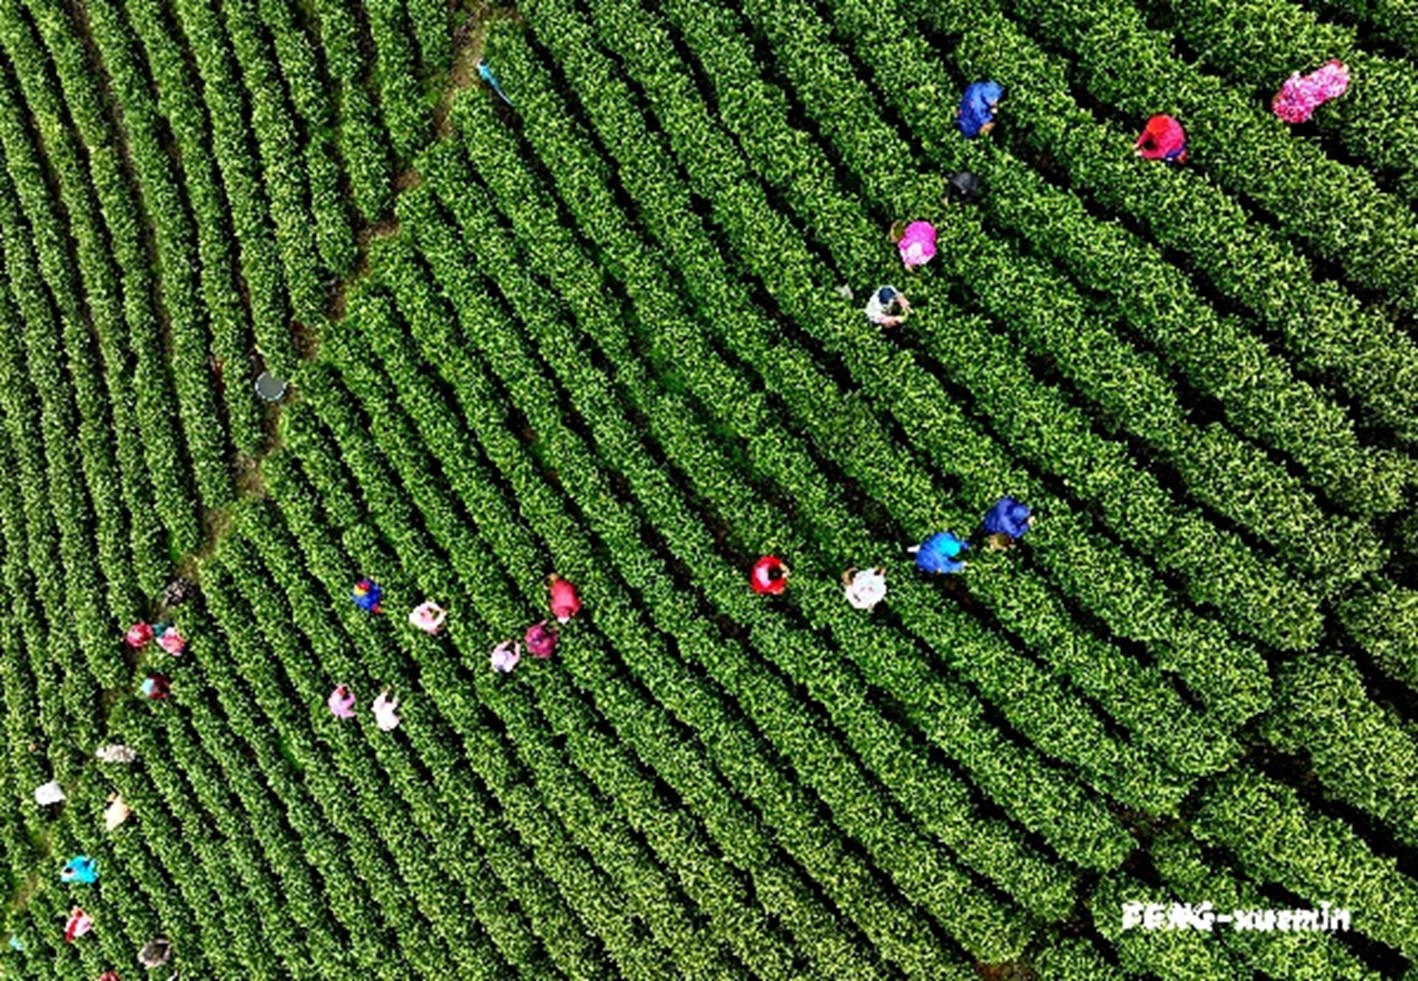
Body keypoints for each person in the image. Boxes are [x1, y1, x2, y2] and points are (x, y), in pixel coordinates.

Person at [1273, 59, 1350, 123]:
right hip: (1303, 96)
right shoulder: (1339, 80)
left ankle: (1281, 110)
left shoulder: (1337, 78)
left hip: (1304, 97)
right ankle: (1281, 110)